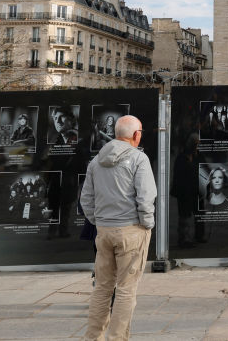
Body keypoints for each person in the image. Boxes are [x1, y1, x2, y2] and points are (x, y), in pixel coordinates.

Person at [80, 115, 156, 341]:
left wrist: (98, 221)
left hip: (103, 231)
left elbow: (86, 198)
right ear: (136, 135)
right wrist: (147, 224)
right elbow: (145, 197)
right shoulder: (138, 159)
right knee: (125, 290)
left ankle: (93, 337)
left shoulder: (96, 161)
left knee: (102, 288)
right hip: (131, 231)